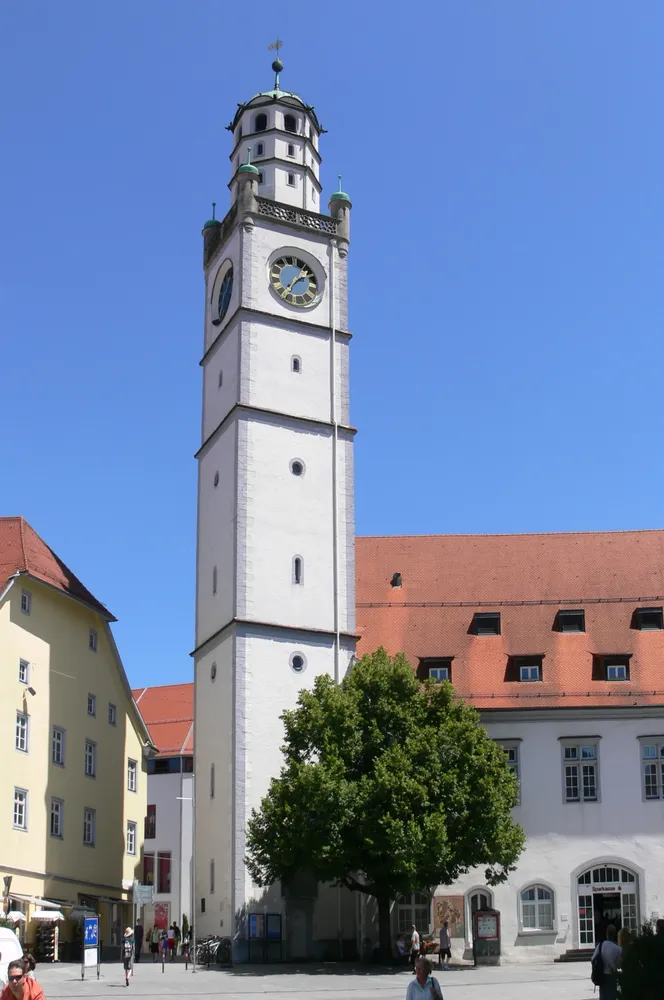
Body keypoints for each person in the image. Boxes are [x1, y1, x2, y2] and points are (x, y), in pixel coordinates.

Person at [591, 924, 621, 1000]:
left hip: (602, 976)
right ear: (615, 934)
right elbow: (619, 964)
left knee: (603, 997)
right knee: (612, 996)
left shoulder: (600, 945)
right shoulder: (617, 949)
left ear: (606, 934)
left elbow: (593, 959)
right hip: (612, 976)